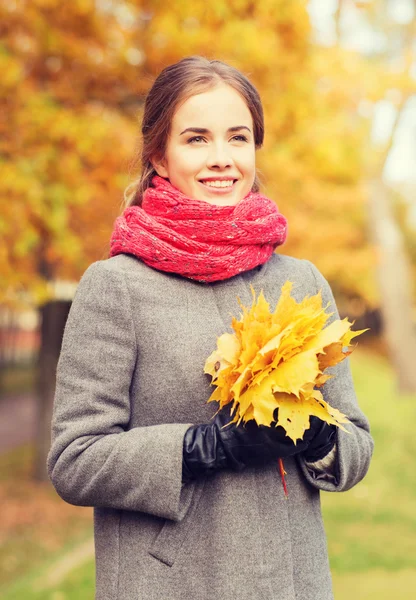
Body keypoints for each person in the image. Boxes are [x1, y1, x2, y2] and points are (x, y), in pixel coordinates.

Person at [47, 56, 374, 600]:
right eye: (196, 139)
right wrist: (204, 448)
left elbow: (356, 446)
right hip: (169, 585)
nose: (221, 159)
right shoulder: (116, 286)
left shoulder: (301, 280)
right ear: (159, 154)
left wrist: (317, 436)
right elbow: (74, 459)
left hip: (291, 584)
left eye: (237, 138)